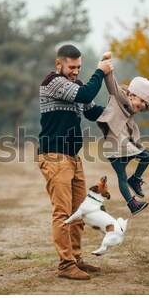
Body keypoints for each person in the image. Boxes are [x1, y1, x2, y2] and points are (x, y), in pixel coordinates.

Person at [38, 44, 113, 280]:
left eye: (79, 67)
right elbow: (85, 95)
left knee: (81, 212)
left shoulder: (76, 86)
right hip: (54, 156)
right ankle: (65, 265)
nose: (75, 71)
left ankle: (76, 260)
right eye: (72, 67)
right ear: (58, 64)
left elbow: (93, 111)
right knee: (62, 213)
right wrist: (100, 71)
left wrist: (123, 107)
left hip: (72, 156)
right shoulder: (52, 82)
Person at [96, 52, 149, 215]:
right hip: (116, 145)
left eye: (142, 103)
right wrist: (106, 62)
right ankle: (134, 188)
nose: (140, 105)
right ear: (130, 94)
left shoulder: (135, 104)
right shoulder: (119, 97)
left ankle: (134, 195)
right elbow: (111, 82)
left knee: (127, 173)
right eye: (139, 100)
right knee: (143, 158)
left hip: (122, 146)